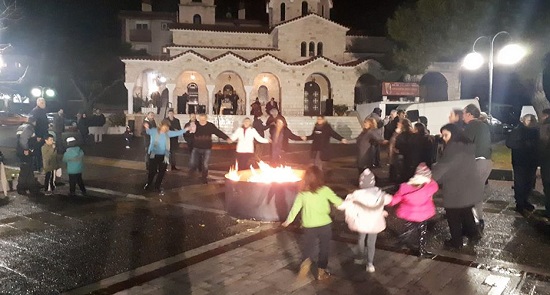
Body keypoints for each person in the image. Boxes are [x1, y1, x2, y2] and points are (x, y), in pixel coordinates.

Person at [282, 166, 343, 280]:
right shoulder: (325, 190)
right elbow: (338, 202)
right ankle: (321, 272)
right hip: (324, 224)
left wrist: (288, 221)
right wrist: (345, 204)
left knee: (308, 247)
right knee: (324, 248)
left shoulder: (302, 194)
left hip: (309, 225)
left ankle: (306, 262)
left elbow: (295, 208)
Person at [432, 124, 482, 249]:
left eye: (446, 135)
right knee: (466, 211)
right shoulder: (466, 145)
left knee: (452, 214)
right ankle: (473, 233)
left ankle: (456, 242)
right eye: (442, 135)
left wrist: (428, 178)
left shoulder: (453, 147)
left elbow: (443, 167)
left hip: (456, 186)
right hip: (468, 185)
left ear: (453, 134)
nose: (444, 138)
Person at [337, 169, 392, 272]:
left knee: (361, 239)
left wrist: (336, 202)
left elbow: (343, 205)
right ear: (373, 182)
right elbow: (389, 199)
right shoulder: (380, 195)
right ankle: (370, 264)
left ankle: (360, 257)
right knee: (372, 242)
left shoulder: (356, 195)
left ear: (361, 183)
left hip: (361, 222)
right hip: (374, 223)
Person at [389, 163, 439, 257]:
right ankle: (421, 251)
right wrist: (429, 179)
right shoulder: (428, 188)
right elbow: (434, 185)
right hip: (422, 215)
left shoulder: (405, 188)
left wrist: (388, 201)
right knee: (422, 232)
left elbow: (395, 199)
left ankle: (401, 241)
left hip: (409, 214)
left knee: (409, 227)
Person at [463, 104, 492, 230]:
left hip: (477, 163)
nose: (463, 116)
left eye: (464, 113)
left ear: (470, 114)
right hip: (487, 162)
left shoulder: (471, 125)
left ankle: (474, 223)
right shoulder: (484, 125)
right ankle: (478, 219)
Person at [506, 114, 539, 214]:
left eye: (533, 120)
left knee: (529, 182)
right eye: (530, 120)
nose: (532, 122)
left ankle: (525, 200)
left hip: (531, 161)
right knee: (520, 182)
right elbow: (510, 143)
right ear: (524, 121)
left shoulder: (535, 131)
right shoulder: (518, 130)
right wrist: (524, 144)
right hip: (520, 161)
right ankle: (519, 203)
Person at [144, 120, 187, 193]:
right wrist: (146, 127)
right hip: (153, 155)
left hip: (164, 156)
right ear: (160, 126)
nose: (165, 129)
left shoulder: (168, 133)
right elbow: (148, 131)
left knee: (162, 172)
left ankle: (157, 186)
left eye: (167, 127)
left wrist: (187, 129)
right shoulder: (154, 131)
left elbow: (178, 133)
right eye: (164, 127)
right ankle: (149, 183)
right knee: (152, 171)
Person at [189, 114, 232, 183]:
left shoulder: (210, 126)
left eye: (204, 120)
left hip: (206, 148)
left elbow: (218, 132)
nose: (202, 121)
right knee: (193, 162)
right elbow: (188, 133)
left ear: (206, 119)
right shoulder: (195, 125)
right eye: (201, 120)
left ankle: (204, 178)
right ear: (199, 119)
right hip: (196, 147)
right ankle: (191, 175)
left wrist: (226, 138)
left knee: (205, 164)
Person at [16, 117, 42, 196]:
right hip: (25, 152)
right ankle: (21, 188)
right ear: (34, 122)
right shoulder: (29, 128)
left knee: (29, 170)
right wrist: (26, 149)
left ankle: (32, 187)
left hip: (21, 152)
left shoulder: (21, 126)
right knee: (25, 170)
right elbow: (24, 139)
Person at [30, 97, 48, 172]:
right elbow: (34, 124)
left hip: (43, 134)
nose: (43, 104)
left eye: (44, 102)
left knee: (41, 152)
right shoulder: (36, 111)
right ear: (38, 103)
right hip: (39, 135)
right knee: (38, 152)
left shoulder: (42, 111)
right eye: (42, 103)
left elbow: (43, 123)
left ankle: (40, 166)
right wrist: (37, 135)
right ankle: (37, 167)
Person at [539, 109, 550, 219]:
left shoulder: (546, 126)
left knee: (547, 186)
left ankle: (548, 211)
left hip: (547, 160)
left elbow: (543, 142)